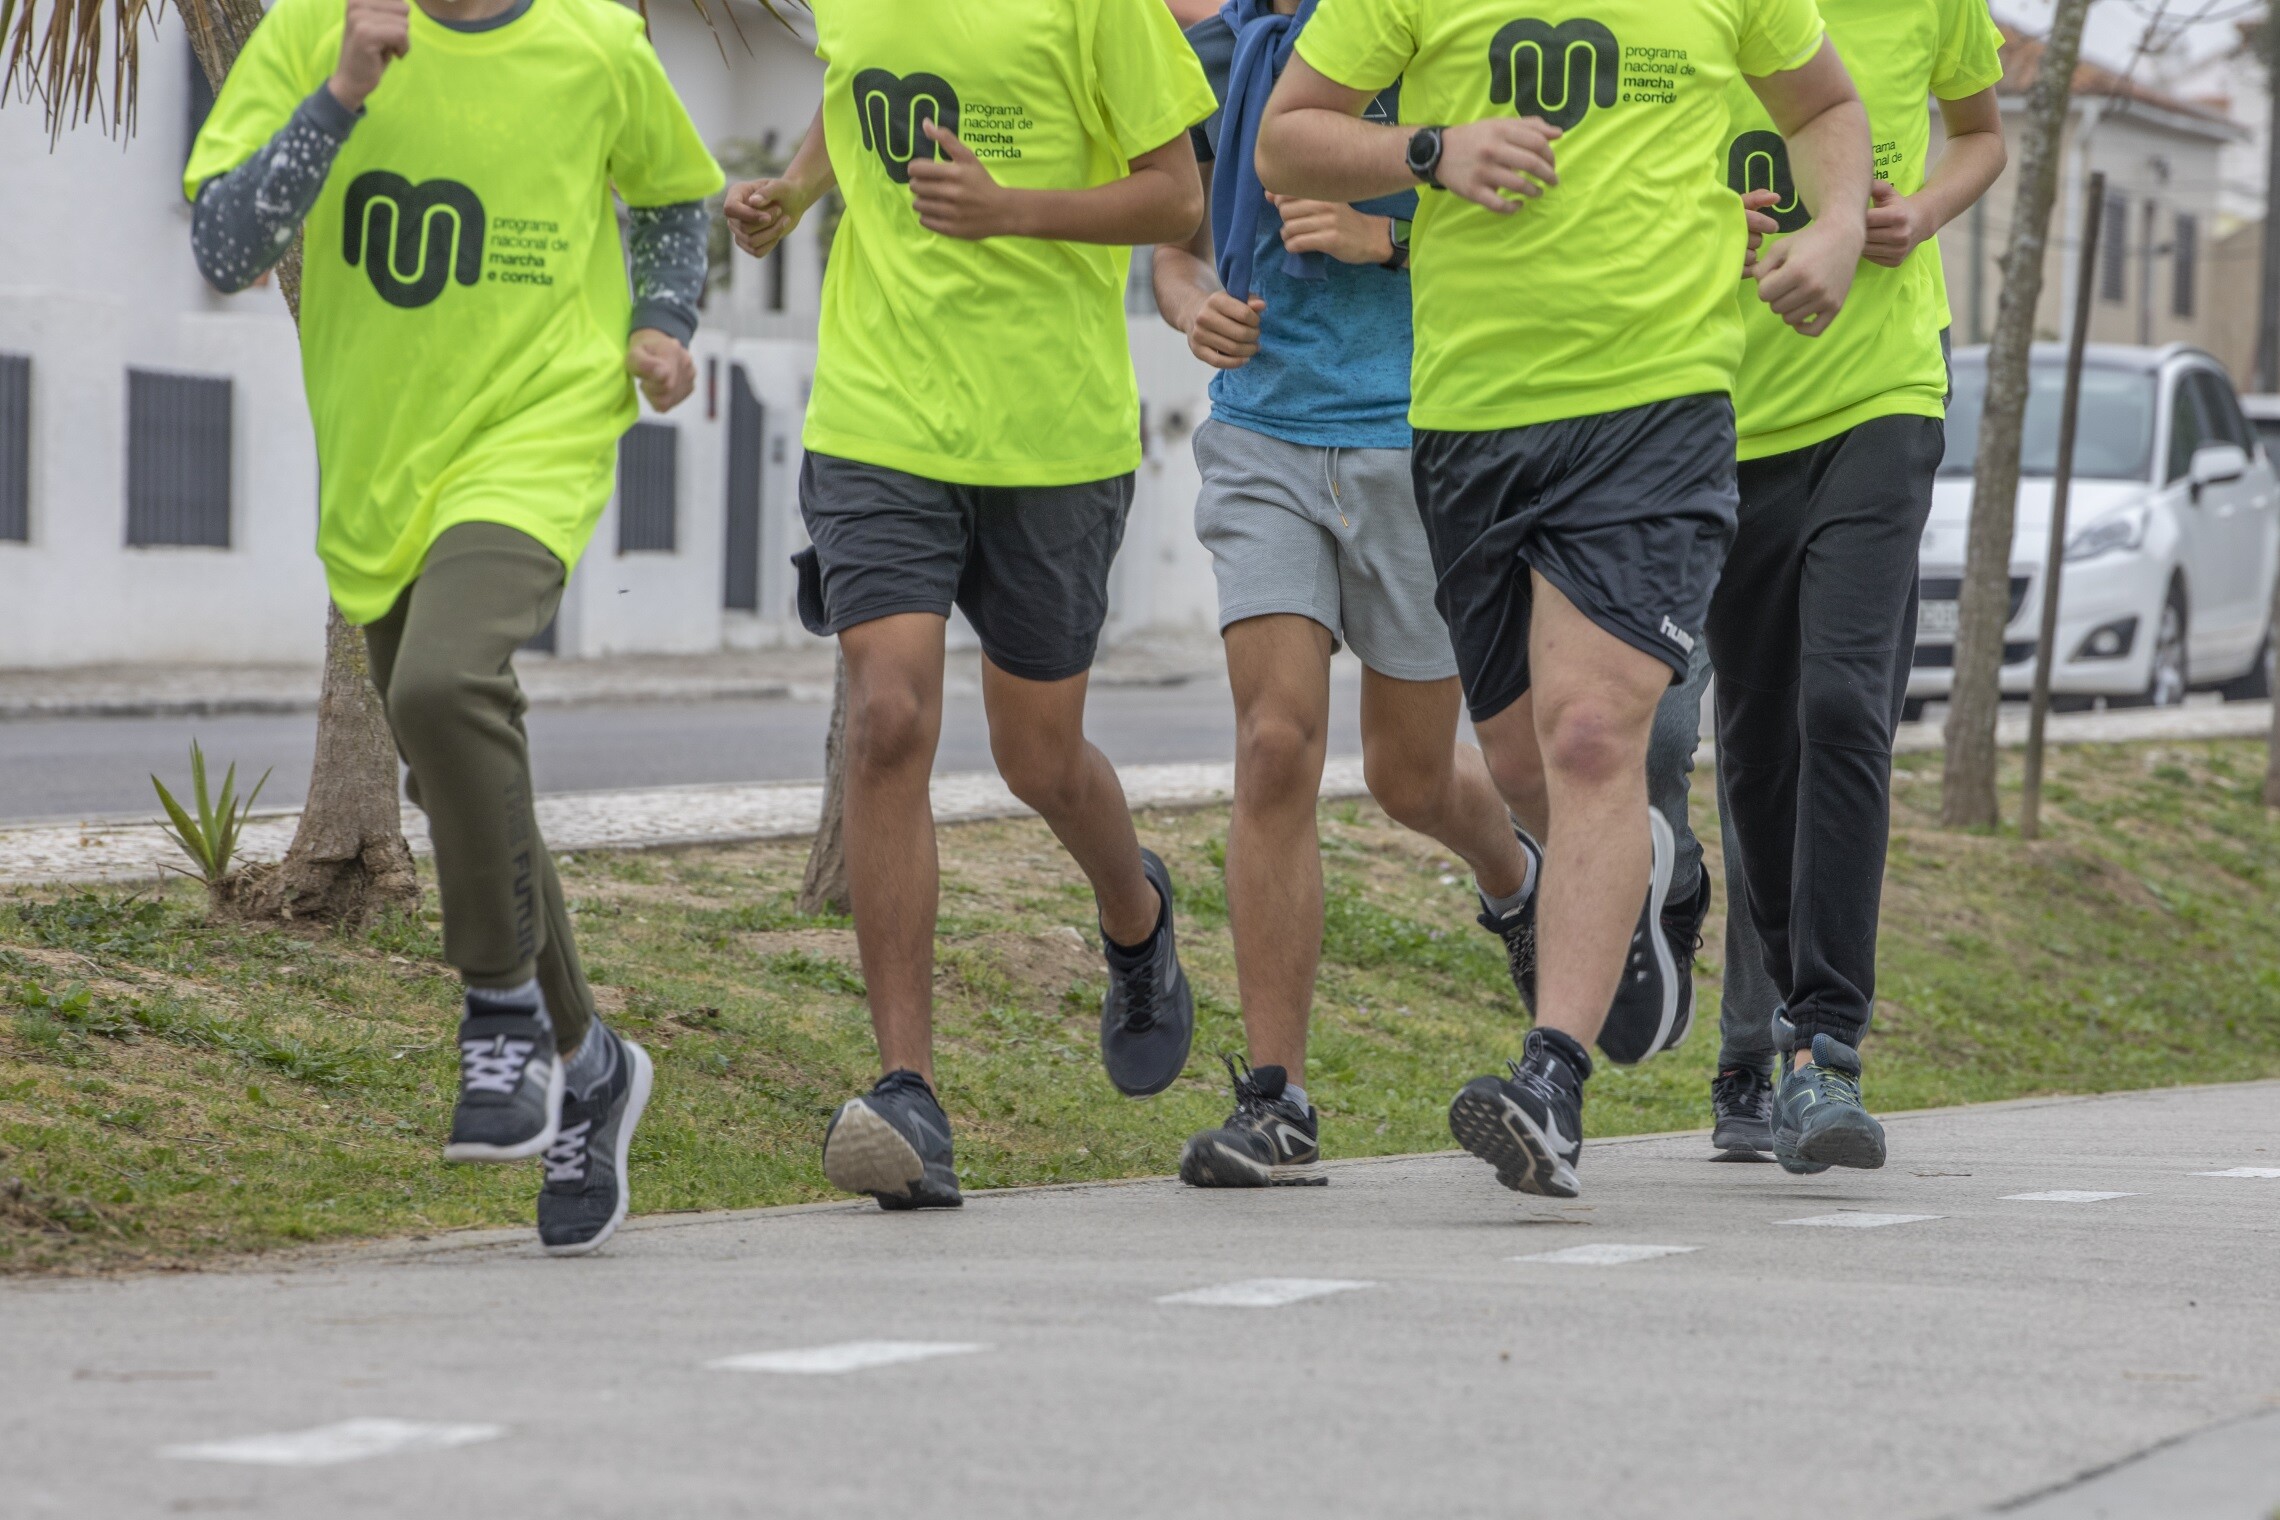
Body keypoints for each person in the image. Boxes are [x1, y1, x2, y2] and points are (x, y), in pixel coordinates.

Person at [1257, 0, 1871, 1198]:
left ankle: (1551, 1080)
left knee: (1590, 732)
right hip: (1472, 415)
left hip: (1658, 399)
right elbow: (1288, 136)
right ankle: (1648, 867)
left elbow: (1827, 105)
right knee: (1518, 758)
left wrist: (1839, 223)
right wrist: (1431, 150)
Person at [185, 0, 722, 1253]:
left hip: (538, 431)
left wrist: (661, 320)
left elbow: (673, 198)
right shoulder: (314, 31)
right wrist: (340, 95)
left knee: (440, 687)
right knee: (461, 771)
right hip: (383, 466)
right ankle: (590, 1061)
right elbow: (223, 241)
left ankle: (501, 1011)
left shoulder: (596, 42)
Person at [723, 0, 1217, 1210]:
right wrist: (797, 188)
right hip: (879, 415)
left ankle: (1136, 913)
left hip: (1051, 432)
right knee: (888, 717)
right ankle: (909, 1093)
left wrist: (1013, 210)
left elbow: (1176, 197)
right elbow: (857, 92)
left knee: (1037, 756)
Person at [1153, 0, 1544, 1189]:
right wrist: (1194, 305)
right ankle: (1277, 1099)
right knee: (1274, 743)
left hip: (1414, 435)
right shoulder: (1220, 54)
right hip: (1262, 434)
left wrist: (1390, 241)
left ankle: (1517, 882)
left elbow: (1538, 227)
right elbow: (1176, 245)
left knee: (1408, 775)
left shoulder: (1434, 35)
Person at [1704, 0, 2006, 1171]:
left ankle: (1825, 1042)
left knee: (1841, 703)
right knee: (1756, 745)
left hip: (1884, 392)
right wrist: (1695, 222)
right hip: (1725, 406)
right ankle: (1789, 1019)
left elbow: (1980, 134)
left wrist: (1921, 212)